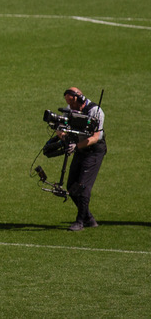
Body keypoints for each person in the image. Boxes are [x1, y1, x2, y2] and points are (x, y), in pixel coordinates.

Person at [61, 87, 105, 231]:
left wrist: (76, 146)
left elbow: (95, 137)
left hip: (93, 151)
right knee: (71, 186)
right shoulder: (70, 108)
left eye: (72, 103)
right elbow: (61, 128)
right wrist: (63, 136)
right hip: (80, 149)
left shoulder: (96, 111)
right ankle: (89, 219)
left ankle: (80, 222)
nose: (70, 106)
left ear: (79, 99)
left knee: (83, 187)